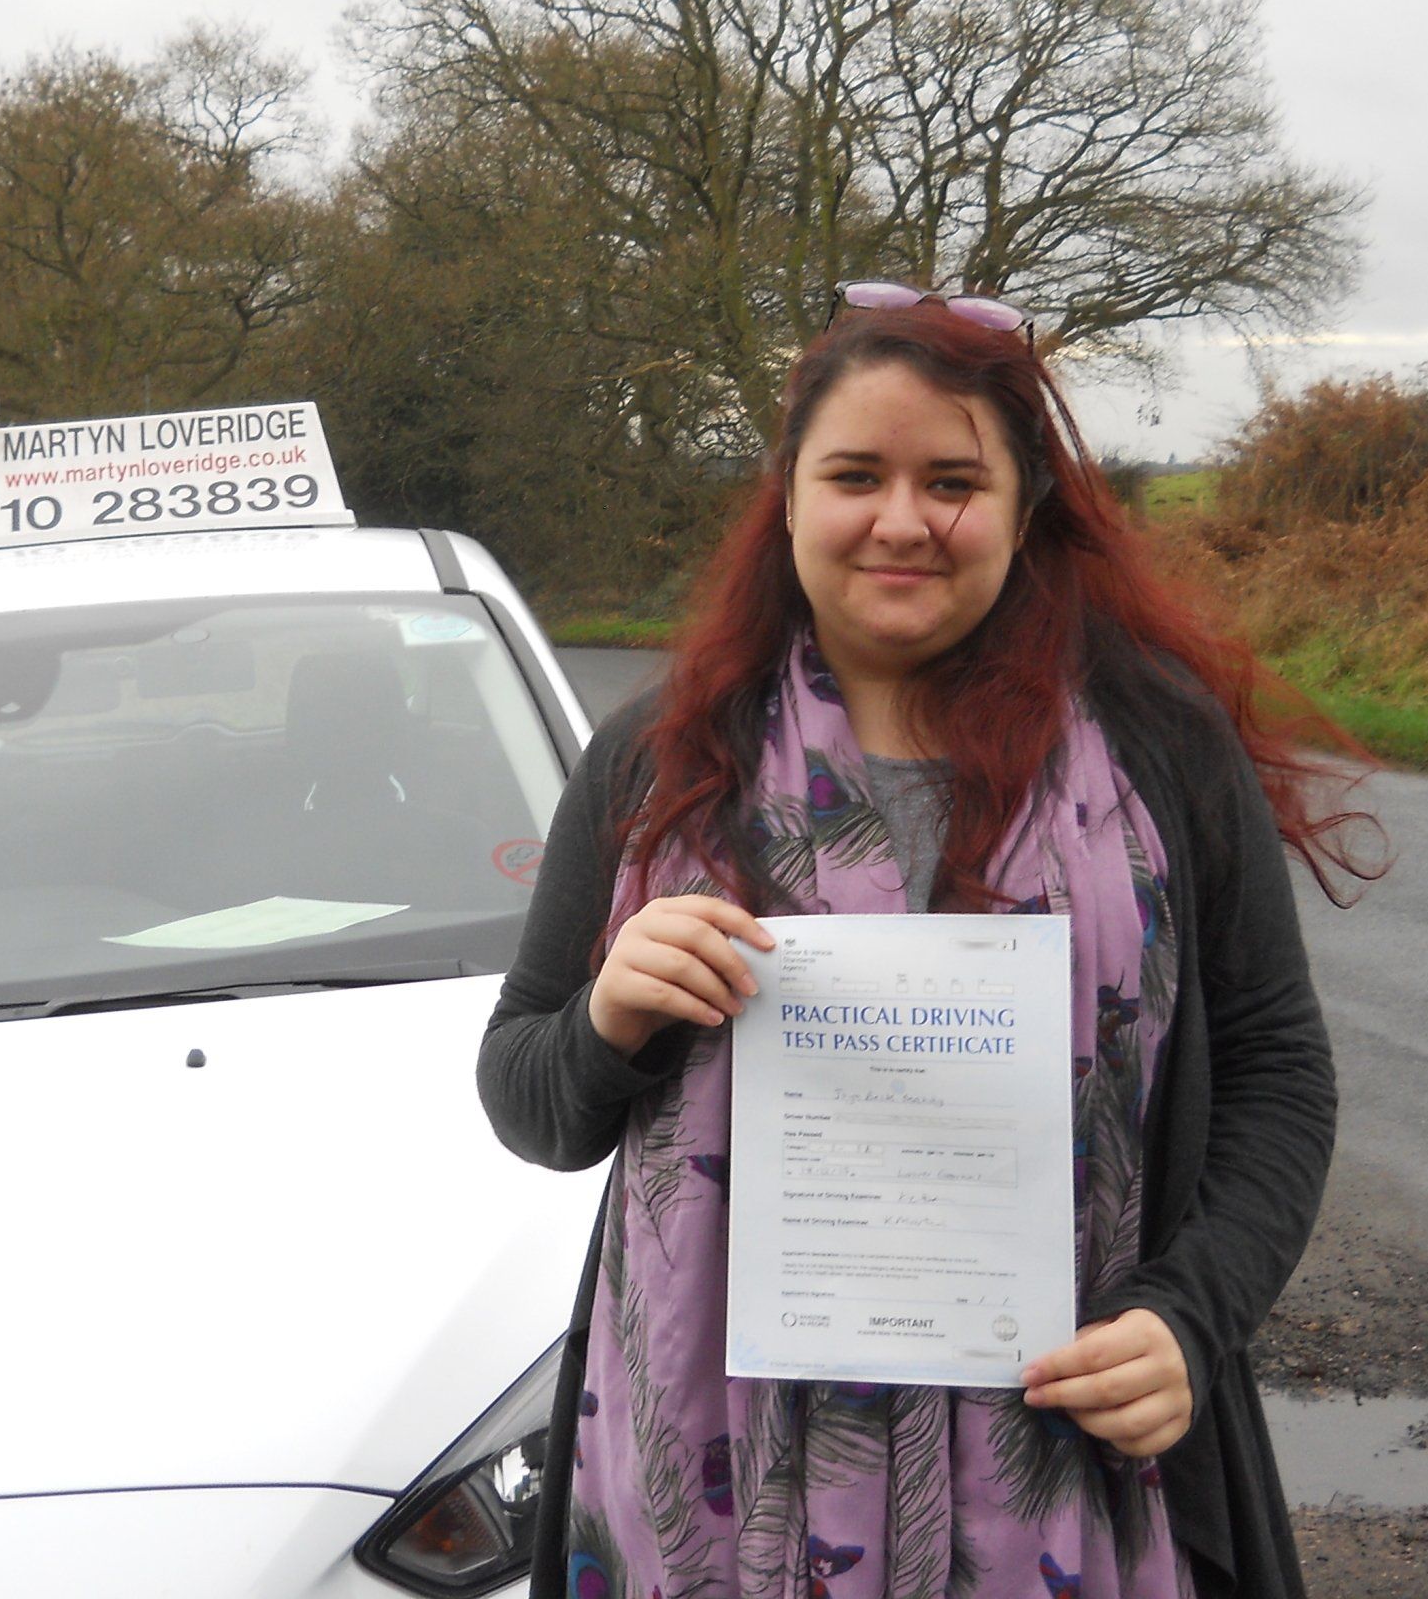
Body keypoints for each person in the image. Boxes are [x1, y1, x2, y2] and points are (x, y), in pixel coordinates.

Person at [479, 285, 1380, 1599]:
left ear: (1026, 508)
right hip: (707, 1490)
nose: (902, 520)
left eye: (952, 479)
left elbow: (1276, 1067)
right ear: (789, 499)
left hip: (1064, 1475)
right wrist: (608, 1020)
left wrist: (1192, 1320)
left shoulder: (1156, 750)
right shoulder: (658, 761)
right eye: (855, 475)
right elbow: (529, 1096)